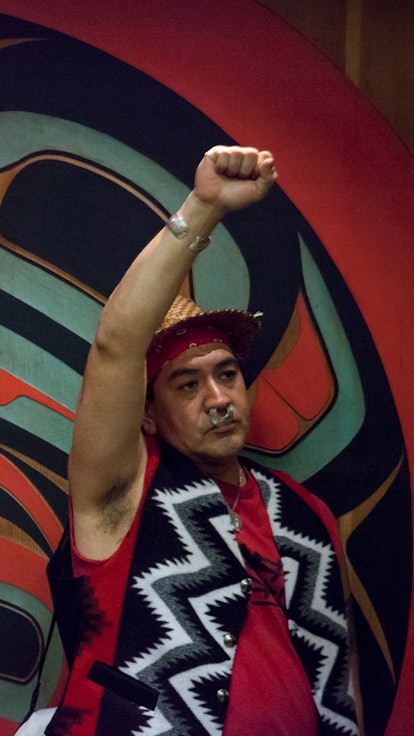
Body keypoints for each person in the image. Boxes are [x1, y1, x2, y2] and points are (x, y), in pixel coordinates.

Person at [17, 146, 360, 736]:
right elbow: (115, 347)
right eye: (187, 383)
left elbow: (339, 677)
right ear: (147, 414)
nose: (220, 397)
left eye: (227, 374)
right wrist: (203, 207)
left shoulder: (305, 514)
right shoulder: (122, 493)